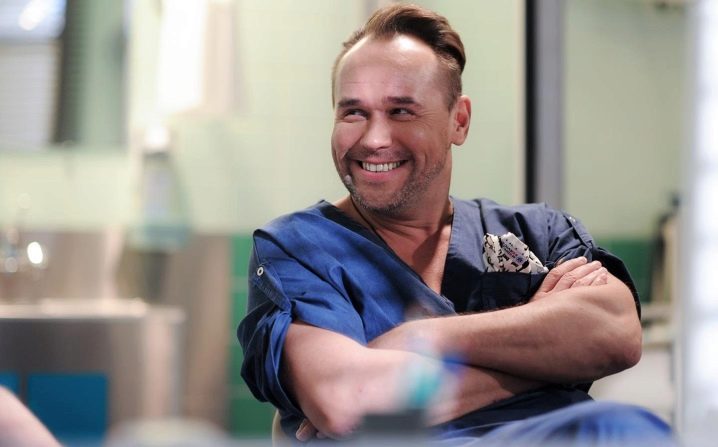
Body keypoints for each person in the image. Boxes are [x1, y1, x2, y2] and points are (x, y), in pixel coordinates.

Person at [238, 4, 673, 445]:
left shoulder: (537, 232)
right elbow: (354, 403)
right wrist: (548, 362)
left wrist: (421, 337)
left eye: (401, 111)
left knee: (628, 428)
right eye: (353, 113)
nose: (374, 139)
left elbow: (616, 333)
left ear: (458, 121)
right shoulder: (299, 249)